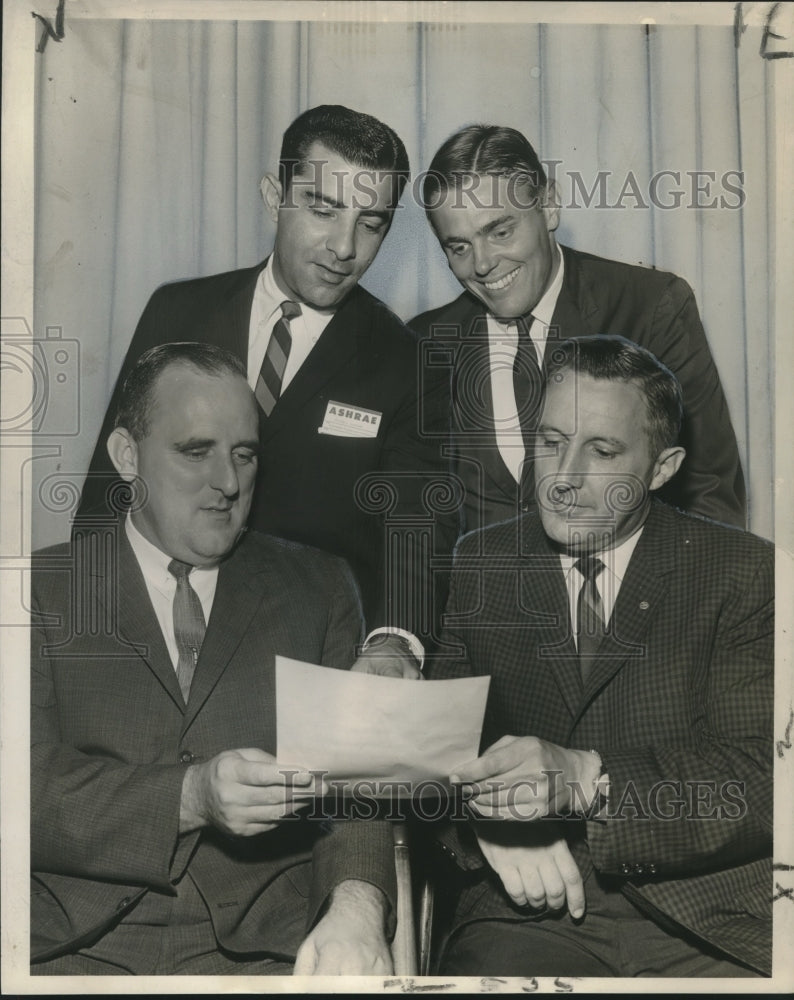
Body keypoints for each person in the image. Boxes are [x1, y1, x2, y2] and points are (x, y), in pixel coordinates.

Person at [31, 343, 396, 975]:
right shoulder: (39, 591)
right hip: (70, 948)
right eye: (195, 451)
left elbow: (356, 791)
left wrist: (356, 909)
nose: (228, 483)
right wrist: (190, 795)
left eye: (245, 454)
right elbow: (20, 790)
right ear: (126, 457)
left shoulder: (321, 588)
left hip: (269, 953)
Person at [429, 336, 772, 977]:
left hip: (705, 921)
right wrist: (485, 825)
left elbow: (763, 779)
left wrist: (587, 779)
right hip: (526, 912)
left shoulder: (742, 571)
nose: (563, 480)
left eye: (603, 451)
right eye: (551, 442)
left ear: (662, 468)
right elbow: (433, 752)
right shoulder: (483, 561)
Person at [76, 104, 455, 667]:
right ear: (273, 195)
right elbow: (111, 488)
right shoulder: (177, 311)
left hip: (309, 653)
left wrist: (395, 640)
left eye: (371, 223)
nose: (344, 247)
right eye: (323, 210)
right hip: (151, 639)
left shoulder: (407, 361)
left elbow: (415, 534)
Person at [411, 124, 746, 534]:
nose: (481, 264)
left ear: (549, 206)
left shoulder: (651, 307)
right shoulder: (426, 340)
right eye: (459, 247)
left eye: (500, 231)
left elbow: (709, 494)